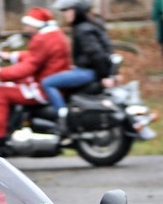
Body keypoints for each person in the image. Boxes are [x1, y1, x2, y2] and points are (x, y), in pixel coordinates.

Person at [0, 7, 70, 156]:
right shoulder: (54, 35)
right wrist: (11, 56)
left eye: (28, 25)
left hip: (40, 88)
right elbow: (36, 56)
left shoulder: (41, 39)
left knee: (0, 93)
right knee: (12, 87)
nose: (26, 28)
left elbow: (28, 67)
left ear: (36, 24)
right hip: (49, 80)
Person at [40, 0, 114, 133]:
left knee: (47, 83)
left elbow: (96, 54)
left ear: (78, 12)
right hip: (88, 69)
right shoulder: (90, 26)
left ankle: (63, 118)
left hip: (88, 71)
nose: (66, 15)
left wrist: (104, 75)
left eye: (69, 11)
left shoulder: (82, 29)